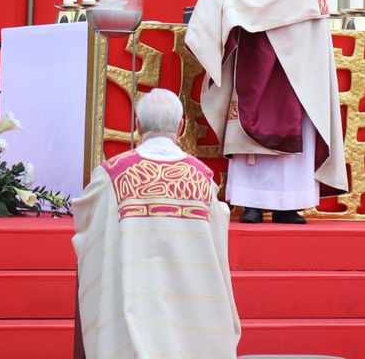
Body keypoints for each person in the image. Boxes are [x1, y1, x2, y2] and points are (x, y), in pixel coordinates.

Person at [185, 0, 347, 225]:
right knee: (246, 125)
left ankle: (289, 204)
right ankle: (251, 201)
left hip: (294, 60)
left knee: (291, 127)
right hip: (255, 56)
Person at [72, 88, 240, 359]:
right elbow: (217, 233)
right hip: (188, 303)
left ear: (137, 125)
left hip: (133, 299)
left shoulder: (113, 175)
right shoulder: (201, 178)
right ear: (182, 126)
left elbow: (86, 220)